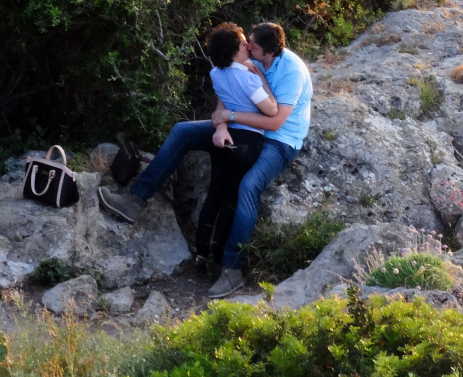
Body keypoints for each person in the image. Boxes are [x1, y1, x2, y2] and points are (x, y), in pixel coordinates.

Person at [98, 21, 313, 299]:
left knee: (248, 187)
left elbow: (276, 120)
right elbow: (229, 93)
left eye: (253, 45)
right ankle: (136, 200)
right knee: (182, 131)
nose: (247, 45)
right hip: (243, 128)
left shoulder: (291, 71)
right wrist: (221, 125)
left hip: (280, 140)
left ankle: (232, 269)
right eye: (246, 41)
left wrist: (229, 117)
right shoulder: (249, 62)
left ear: (267, 51)